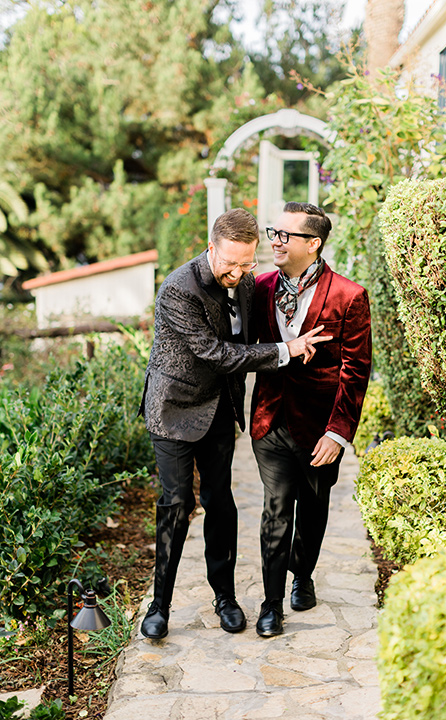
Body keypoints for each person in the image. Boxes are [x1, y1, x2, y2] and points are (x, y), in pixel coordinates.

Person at [138, 208, 329, 639]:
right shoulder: (178, 289)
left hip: (219, 408)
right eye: (231, 262)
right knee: (175, 505)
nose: (240, 272)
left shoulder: (244, 280)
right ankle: (159, 606)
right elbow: (218, 354)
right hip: (173, 409)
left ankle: (224, 596)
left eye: (248, 263)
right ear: (211, 249)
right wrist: (286, 350)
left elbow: (248, 336)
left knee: (221, 503)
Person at [250, 202, 372, 637]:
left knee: (314, 507)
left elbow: (355, 371)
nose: (275, 241)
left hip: (320, 428)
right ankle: (271, 602)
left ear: (313, 243)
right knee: (276, 509)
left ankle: (303, 575)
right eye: (274, 232)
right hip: (269, 420)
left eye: (285, 235)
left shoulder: (349, 296)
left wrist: (339, 433)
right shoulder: (259, 287)